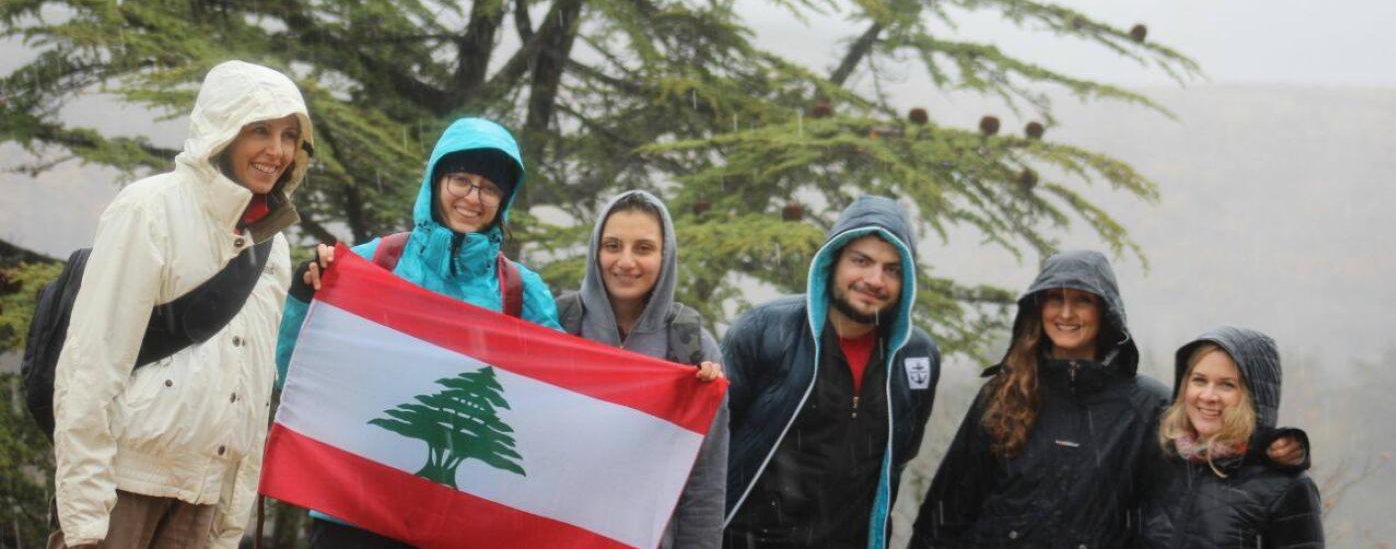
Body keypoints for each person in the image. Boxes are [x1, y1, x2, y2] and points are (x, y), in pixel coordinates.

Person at [49, 61, 314, 548]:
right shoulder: (149, 209)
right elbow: (91, 367)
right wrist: (85, 519)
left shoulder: (271, 244)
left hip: (201, 502)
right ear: (223, 129)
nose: (276, 151)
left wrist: (229, 521)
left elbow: (255, 392)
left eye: (290, 135)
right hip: (121, 490)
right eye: (260, 130)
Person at [275, 116, 561, 548]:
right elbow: (299, 374)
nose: (472, 197)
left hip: (464, 524)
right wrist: (301, 297)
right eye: (461, 179)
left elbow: (562, 396)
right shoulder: (376, 263)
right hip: (355, 513)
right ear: (436, 180)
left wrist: (678, 393)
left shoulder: (521, 292)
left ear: (504, 199)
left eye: (488, 187)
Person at [908, 250, 1307, 548]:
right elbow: (947, 509)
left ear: (1106, 311)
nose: (1066, 313)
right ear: (1038, 308)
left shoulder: (1147, 405)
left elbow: (1210, 459)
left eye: (1082, 299)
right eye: (1055, 298)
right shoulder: (1003, 394)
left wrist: (1272, 448)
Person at [722, 195, 939, 549]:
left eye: (892, 269)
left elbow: (899, 457)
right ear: (832, 261)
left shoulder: (917, 357)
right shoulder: (763, 330)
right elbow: (710, 444)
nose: (874, 279)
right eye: (861, 261)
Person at [554, 189, 728, 548]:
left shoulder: (693, 347)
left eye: (643, 248)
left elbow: (704, 486)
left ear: (665, 257)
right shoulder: (554, 325)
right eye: (613, 245)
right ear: (595, 251)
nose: (626, 261)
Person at [1140, 327, 1324, 547]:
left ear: (1254, 396)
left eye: (1227, 385)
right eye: (1199, 380)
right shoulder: (1165, 461)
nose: (1208, 396)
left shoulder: (1286, 487)